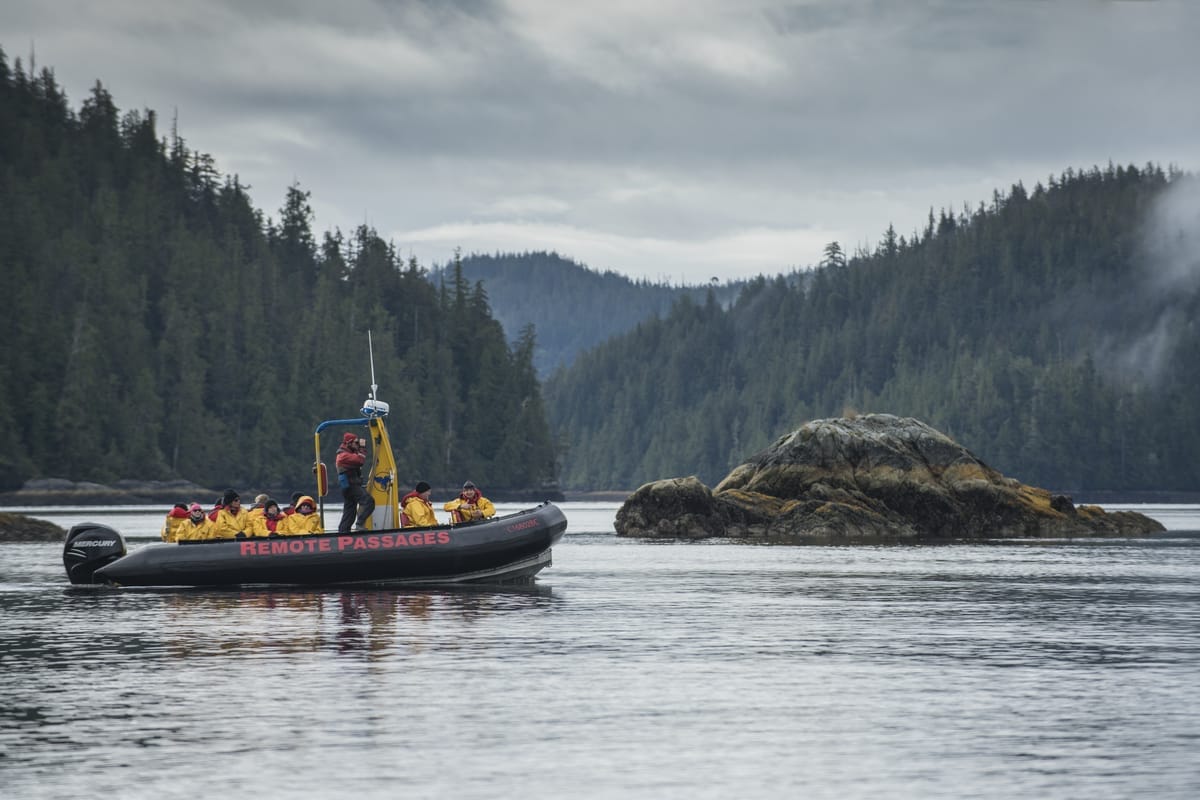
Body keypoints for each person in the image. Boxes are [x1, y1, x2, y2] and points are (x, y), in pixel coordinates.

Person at [335, 432, 376, 533]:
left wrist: (359, 448)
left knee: (350, 511)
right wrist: (362, 447)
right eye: (355, 442)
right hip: (351, 485)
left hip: (350, 486)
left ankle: (343, 532)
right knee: (368, 501)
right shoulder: (343, 455)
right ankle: (360, 524)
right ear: (349, 443)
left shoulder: (348, 453)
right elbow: (360, 460)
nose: (357, 444)